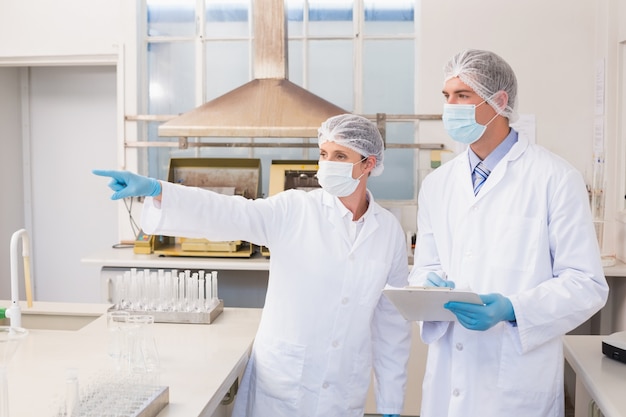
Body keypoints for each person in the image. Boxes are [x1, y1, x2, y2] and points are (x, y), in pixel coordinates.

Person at [93, 113, 411, 417]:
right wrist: (158, 190)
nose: (326, 165)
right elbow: (230, 212)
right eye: (323, 153)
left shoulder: (388, 231)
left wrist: (391, 400)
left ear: (368, 163)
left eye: (339, 156)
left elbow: (391, 325)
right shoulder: (295, 209)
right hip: (283, 383)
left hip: (344, 389)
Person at [409, 49, 609, 417]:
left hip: (514, 379)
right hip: (448, 372)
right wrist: (427, 286)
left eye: (463, 96)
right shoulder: (437, 184)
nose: (449, 106)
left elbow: (586, 283)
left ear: (499, 101)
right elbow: (426, 265)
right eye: (446, 96)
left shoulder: (555, 178)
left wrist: (513, 308)